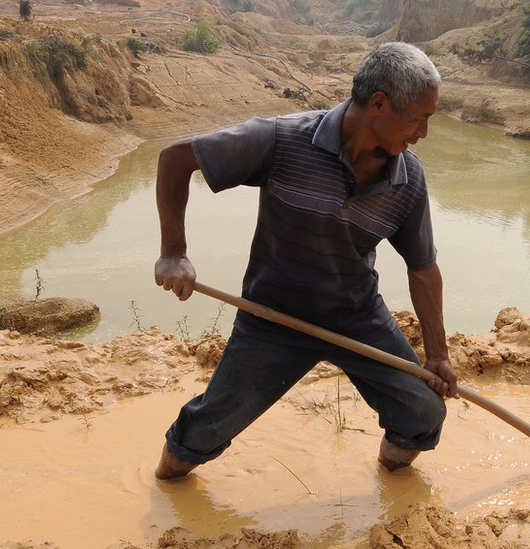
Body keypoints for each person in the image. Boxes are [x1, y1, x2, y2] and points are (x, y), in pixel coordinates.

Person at [152, 42, 459, 480]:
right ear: (378, 104)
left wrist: (438, 354)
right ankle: (165, 483)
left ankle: (390, 478)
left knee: (423, 411)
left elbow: (423, 267)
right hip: (272, 315)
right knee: (198, 437)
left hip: (356, 316)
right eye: (419, 118)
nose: (422, 133)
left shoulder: (407, 178)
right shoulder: (283, 139)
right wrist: (173, 252)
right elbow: (176, 158)